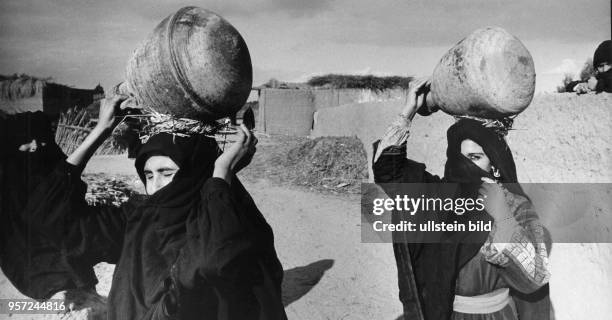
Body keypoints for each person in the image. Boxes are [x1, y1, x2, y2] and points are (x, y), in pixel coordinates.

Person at [19, 96, 287, 319]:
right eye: (148, 175)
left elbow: (208, 261)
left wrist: (220, 175)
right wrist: (100, 131)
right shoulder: (137, 221)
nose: (156, 185)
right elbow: (46, 214)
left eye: (167, 172)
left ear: (195, 175)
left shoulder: (224, 226)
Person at [373, 79, 551, 320]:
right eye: (460, 157)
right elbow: (389, 171)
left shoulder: (515, 206)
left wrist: (504, 218)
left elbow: (535, 278)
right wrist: (409, 111)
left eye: (476, 157)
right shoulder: (439, 197)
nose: (465, 165)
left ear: (495, 164)